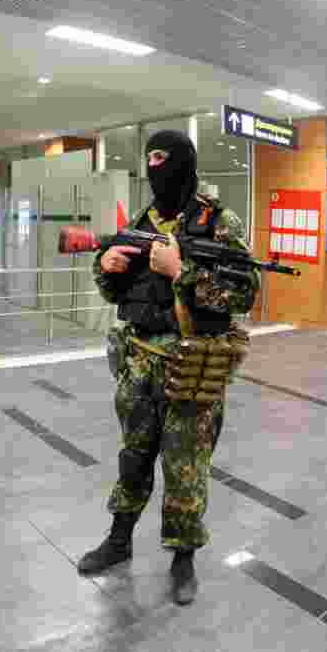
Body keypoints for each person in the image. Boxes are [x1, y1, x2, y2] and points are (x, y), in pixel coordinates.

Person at [78, 130, 258, 606]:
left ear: (182, 161)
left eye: (162, 157)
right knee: (133, 457)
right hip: (138, 364)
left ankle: (183, 560)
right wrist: (107, 266)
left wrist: (183, 271)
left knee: (185, 467)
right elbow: (119, 292)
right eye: (149, 157)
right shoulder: (143, 219)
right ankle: (119, 541)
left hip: (190, 364)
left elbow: (244, 293)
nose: (154, 165)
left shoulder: (220, 221)